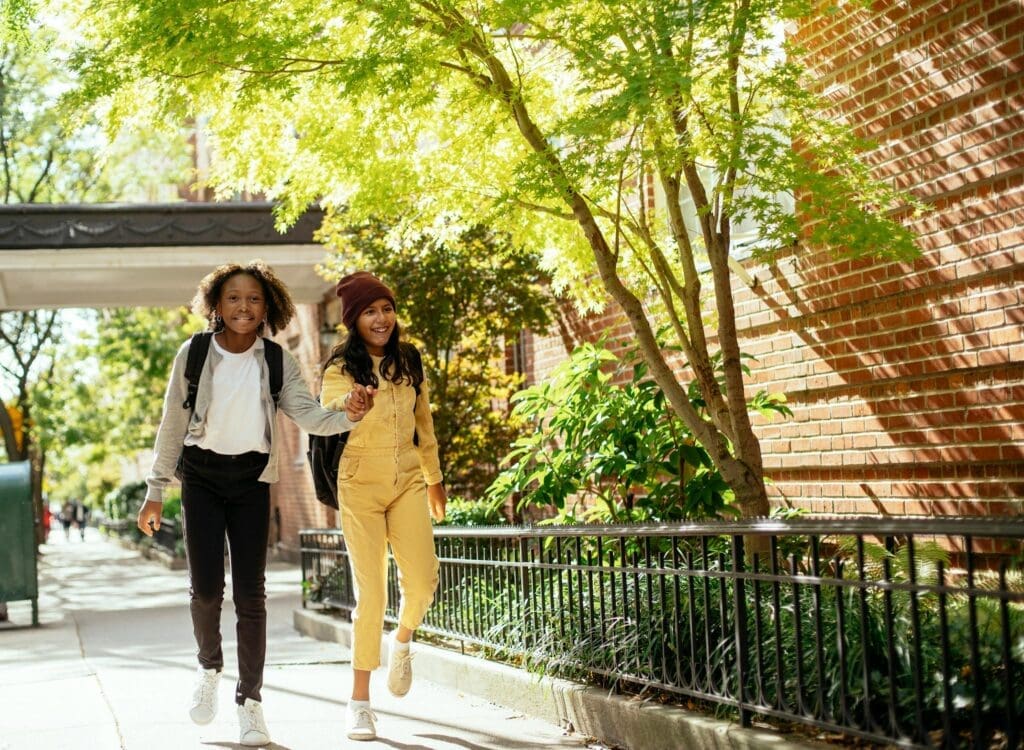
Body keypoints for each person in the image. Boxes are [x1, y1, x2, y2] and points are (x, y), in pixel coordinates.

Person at [136, 260, 375, 747]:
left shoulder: (274, 359)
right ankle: (209, 669)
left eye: (253, 298)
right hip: (201, 478)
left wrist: (346, 415)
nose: (244, 306)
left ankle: (251, 703)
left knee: (251, 596)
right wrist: (155, 488)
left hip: (252, 480)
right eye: (233, 298)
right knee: (205, 590)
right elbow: (172, 425)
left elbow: (307, 414)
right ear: (216, 306)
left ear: (268, 306)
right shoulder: (196, 353)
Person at [320, 271, 447, 741]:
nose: (381, 318)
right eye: (370, 311)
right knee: (370, 594)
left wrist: (435, 481)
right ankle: (359, 703)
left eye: (386, 308)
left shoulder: (408, 360)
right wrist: (352, 402)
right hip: (359, 482)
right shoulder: (341, 366)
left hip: (408, 479)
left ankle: (404, 639)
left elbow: (425, 425)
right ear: (355, 320)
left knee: (424, 582)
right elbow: (329, 403)